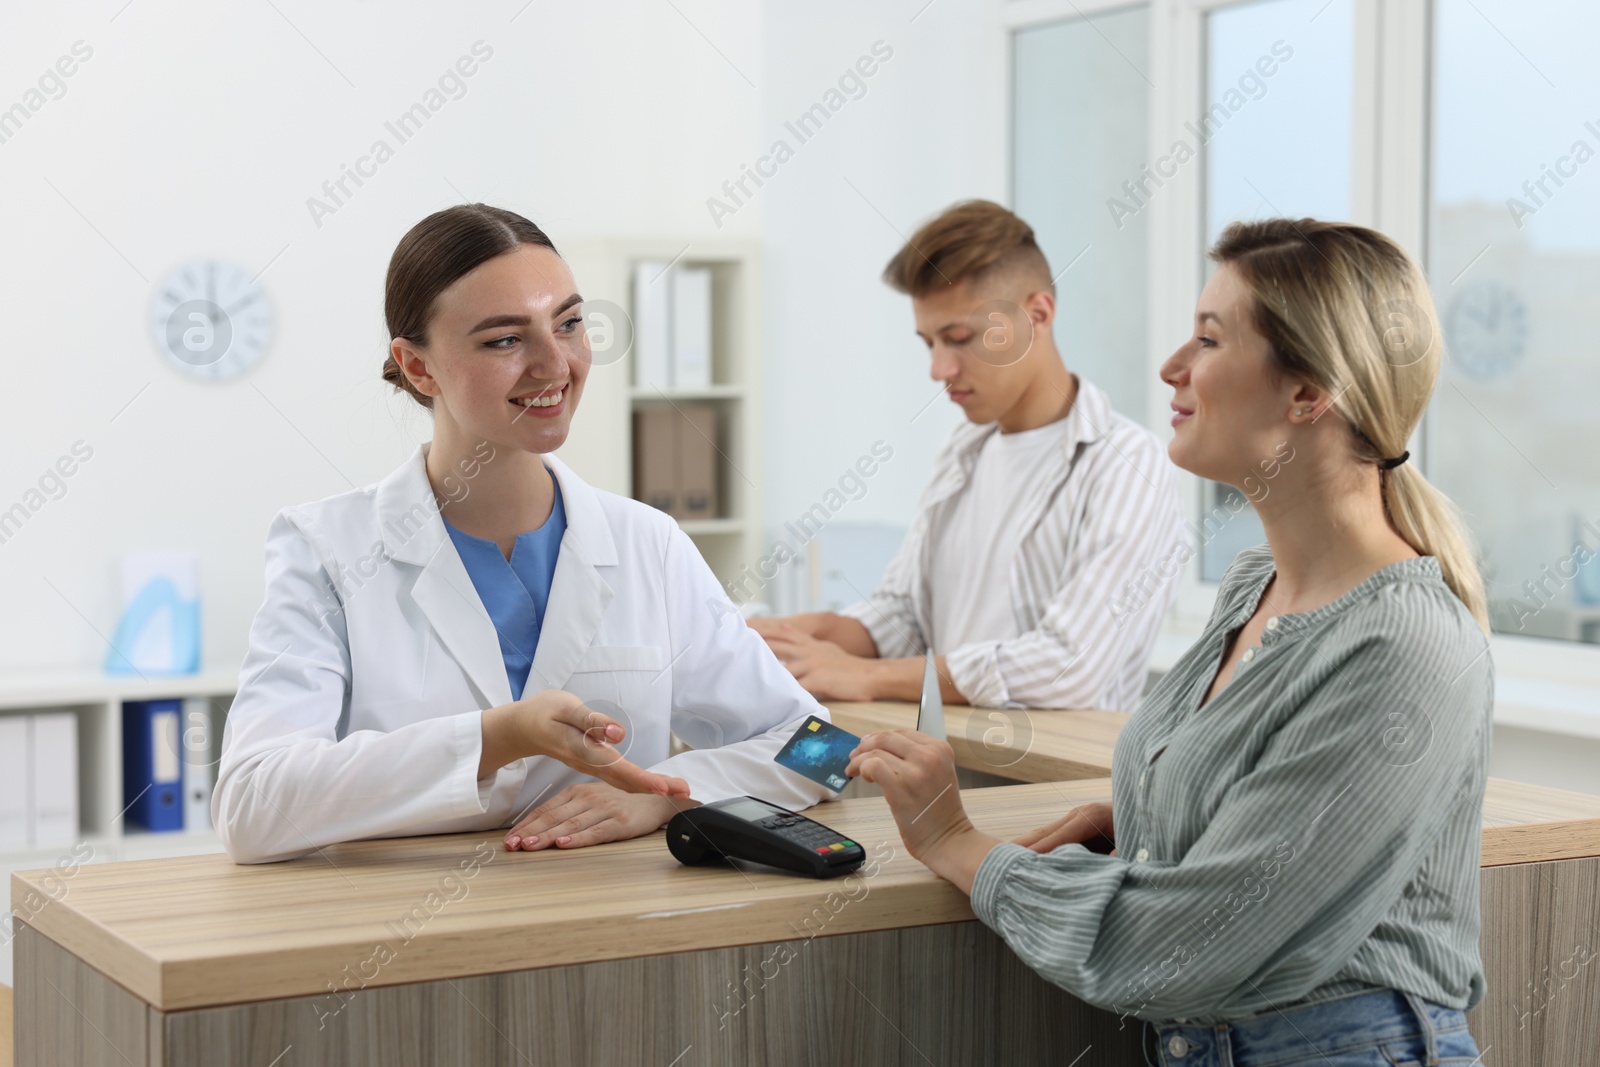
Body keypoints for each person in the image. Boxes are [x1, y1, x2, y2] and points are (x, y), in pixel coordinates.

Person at [849, 218, 1492, 1064]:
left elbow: (1183, 947)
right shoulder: (1253, 591)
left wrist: (954, 841)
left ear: (1307, 393)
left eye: (1209, 338)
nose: (1171, 367)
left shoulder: (1403, 645)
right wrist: (1150, 818)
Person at [213, 204, 834, 864]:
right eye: (504, 340)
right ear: (418, 367)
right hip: (397, 939)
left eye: (568, 323)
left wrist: (673, 795)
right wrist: (494, 737)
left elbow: (822, 749)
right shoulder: (326, 549)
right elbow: (253, 805)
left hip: (612, 936)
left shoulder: (647, 543)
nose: (554, 364)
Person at [750, 200, 1185, 712]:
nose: (938, 368)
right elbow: (906, 619)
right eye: (929, 342)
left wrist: (869, 676)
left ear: (1038, 315)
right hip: (952, 760)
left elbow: (1068, 668)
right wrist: (805, 636)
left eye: (959, 339)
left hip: (1058, 779)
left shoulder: (1128, 464)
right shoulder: (964, 450)